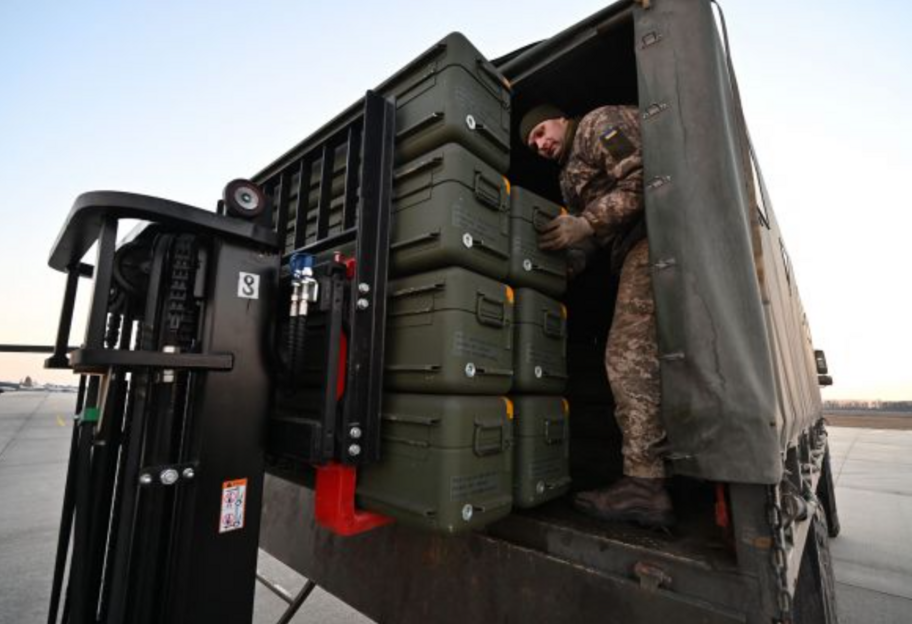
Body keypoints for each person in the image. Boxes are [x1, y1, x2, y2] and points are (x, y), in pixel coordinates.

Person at [520, 103, 674, 528]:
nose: (540, 143)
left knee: (626, 356)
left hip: (658, 235)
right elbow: (591, 237)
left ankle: (645, 486)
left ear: (560, 119)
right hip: (630, 249)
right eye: (533, 143)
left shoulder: (595, 125)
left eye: (541, 131)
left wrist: (584, 223)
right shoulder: (568, 178)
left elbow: (647, 178)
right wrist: (566, 261)